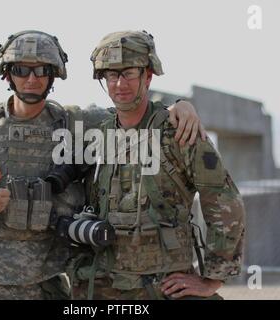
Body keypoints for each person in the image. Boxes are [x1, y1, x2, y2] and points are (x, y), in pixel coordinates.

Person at [0, 30, 205, 300]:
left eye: (41, 70)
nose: (31, 79)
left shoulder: (74, 123)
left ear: (53, 75)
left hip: (43, 281)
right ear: (7, 74)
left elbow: (134, 112)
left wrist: (179, 107)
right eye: (21, 70)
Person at [68, 30, 246, 300]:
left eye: (128, 73)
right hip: (103, 284)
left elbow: (225, 202)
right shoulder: (97, 135)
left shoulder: (179, 132)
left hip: (164, 286)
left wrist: (213, 278)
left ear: (147, 76)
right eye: (111, 75)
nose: (119, 84)